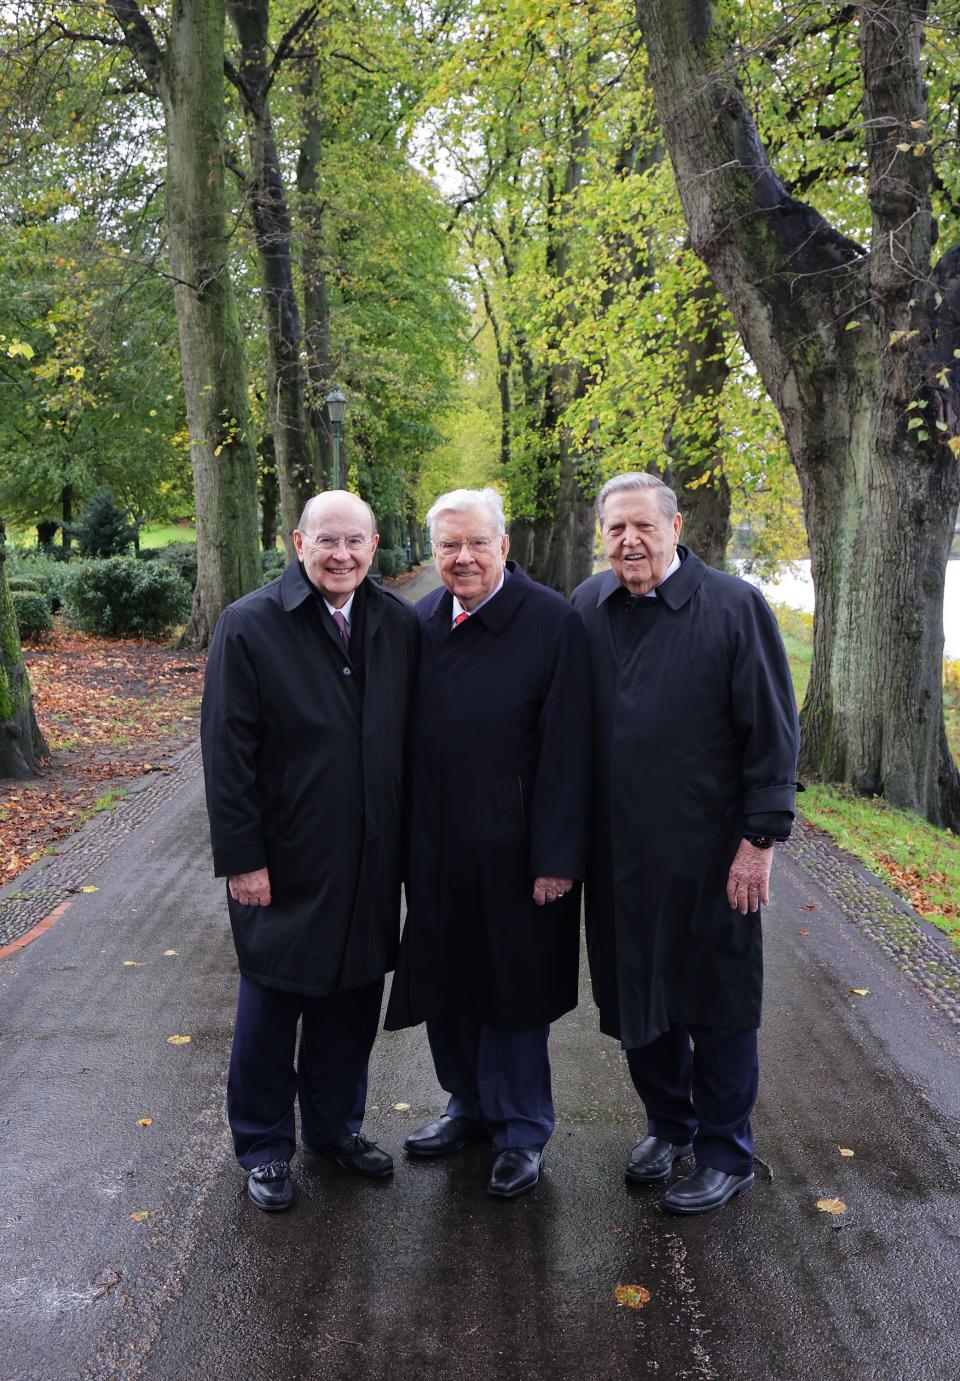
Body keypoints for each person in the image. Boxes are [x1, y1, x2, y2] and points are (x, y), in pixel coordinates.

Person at [570, 472, 799, 1216]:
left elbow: (771, 733)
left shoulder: (734, 606)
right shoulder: (588, 607)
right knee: (639, 1000)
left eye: (643, 526)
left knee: (718, 1004)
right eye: (615, 530)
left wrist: (759, 840)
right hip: (618, 859)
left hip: (711, 857)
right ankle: (670, 1124)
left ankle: (726, 1149)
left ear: (676, 525)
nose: (629, 541)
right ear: (601, 536)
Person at [201, 491, 418, 1211]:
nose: (341, 554)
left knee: (350, 1005)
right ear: (298, 542)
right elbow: (226, 753)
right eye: (327, 540)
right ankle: (264, 1145)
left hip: (369, 859)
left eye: (355, 541)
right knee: (272, 1004)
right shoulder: (251, 624)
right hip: (285, 859)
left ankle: (334, 1130)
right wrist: (243, 857)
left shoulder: (395, 623)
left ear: (375, 544)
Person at [385, 487, 591, 1198]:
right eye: (448, 545)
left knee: (514, 991)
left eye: (476, 543)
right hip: (438, 849)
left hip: (519, 853)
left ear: (504, 546)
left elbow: (571, 751)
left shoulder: (553, 624)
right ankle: (467, 1105)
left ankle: (522, 1128)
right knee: (448, 983)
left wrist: (558, 856)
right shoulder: (421, 624)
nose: (463, 557)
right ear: (432, 552)